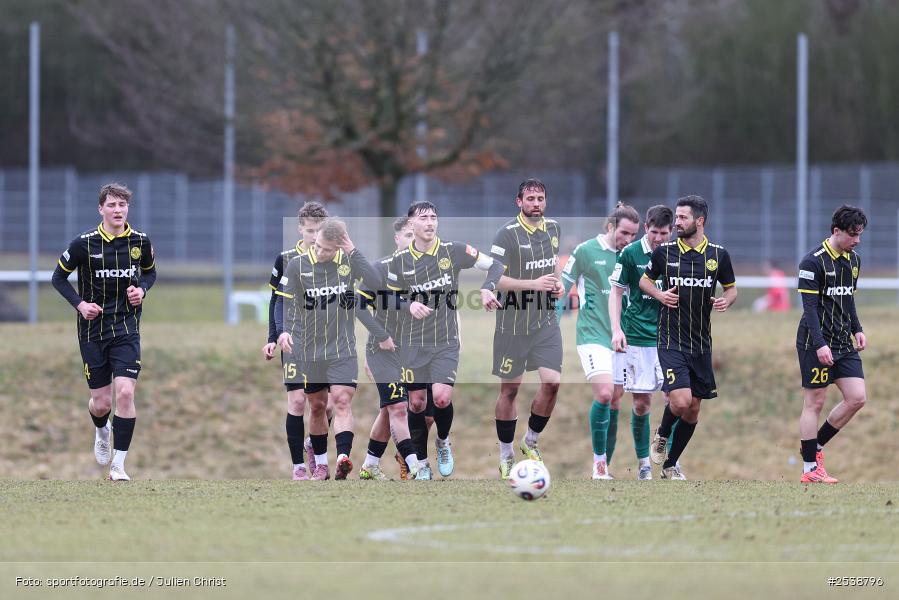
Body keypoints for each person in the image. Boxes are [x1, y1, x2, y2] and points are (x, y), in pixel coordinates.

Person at [387, 201, 504, 480]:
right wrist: (408, 306)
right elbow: (389, 296)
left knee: (440, 399)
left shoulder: (454, 251)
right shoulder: (400, 262)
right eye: (423, 218)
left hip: (445, 340)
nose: (430, 222)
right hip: (412, 343)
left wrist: (487, 289)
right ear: (411, 224)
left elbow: (496, 265)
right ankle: (422, 463)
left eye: (434, 217)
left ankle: (442, 441)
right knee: (416, 404)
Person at [51, 182, 156, 481]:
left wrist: (143, 290)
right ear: (101, 209)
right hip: (92, 331)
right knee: (102, 403)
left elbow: (150, 272)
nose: (118, 210)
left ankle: (119, 466)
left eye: (122, 205)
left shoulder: (140, 241)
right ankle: (101, 430)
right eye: (111, 205)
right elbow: (58, 278)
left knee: (125, 393)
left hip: (126, 327)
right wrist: (80, 304)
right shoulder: (82, 244)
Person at [274, 219, 386, 480]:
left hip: (342, 349)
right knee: (316, 407)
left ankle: (343, 457)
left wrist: (352, 251)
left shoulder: (348, 262)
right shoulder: (297, 265)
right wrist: (283, 331)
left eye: (329, 249)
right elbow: (283, 303)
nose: (323, 252)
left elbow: (376, 282)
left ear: (339, 246)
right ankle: (321, 464)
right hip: (309, 350)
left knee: (342, 401)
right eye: (320, 247)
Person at [640, 195, 737, 480]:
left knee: (694, 409)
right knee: (680, 402)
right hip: (670, 339)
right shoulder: (664, 253)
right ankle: (662, 433)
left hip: (701, 344)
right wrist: (659, 294)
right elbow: (644, 281)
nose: (677, 223)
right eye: (677, 218)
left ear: (700, 221)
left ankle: (670, 464)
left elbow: (731, 289)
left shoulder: (719, 255)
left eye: (682, 218)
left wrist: (726, 301)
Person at [490, 179, 567, 479]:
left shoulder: (554, 229)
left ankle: (530, 441)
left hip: (545, 321)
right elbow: (495, 279)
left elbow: (553, 266)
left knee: (553, 383)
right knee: (510, 390)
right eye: (530, 198)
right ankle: (506, 455)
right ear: (518, 202)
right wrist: (532, 285)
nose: (536, 203)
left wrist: (557, 283)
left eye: (540, 198)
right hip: (512, 324)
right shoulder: (506, 234)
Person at [558, 203, 640, 480]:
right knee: (604, 394)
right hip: (592, 335)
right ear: (610, 227)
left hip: (623, 337)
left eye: (633, 235)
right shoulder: (585, 251)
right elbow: (562, 288)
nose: (628, 240)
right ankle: (599, 464)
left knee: (615, 401)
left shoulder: (631, 256)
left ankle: (605, 468)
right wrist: (551, 328)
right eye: (624, 233)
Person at [796, 205, 868, 484]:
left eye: (860, 234)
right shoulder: (812, 262)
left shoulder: (854, 261)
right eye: (852, 234)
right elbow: (810, 309)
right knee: (815, 401)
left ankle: (815, 447)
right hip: (816, 343)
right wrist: (819, 344)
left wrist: (857, 329)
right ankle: (809, 469)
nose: (857, 240)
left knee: (857, 397)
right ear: (836, 230)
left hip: (843, 342)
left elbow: (847, 298)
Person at [261, 201, 332, 480]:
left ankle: (312, 443)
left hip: (324, 341)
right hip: (293, 339)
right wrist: (273, 336)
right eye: (310, 230)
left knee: (323, 405)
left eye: (319, 230)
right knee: (297, 402)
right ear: (300, 229)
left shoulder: (332, 258)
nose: (315, 236)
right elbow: (275, 300)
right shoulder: (286, 259)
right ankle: (298, 467)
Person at [609, 205, 674, 480]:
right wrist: (616, 329)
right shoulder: (630, 253)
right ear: (646, 228)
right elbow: (616, 292)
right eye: (654, 232)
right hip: (637, 337)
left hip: (669, 337)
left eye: (664, 233)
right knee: (641, 404)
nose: (659, 238)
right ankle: (644, 463)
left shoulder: (677, 253)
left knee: (677, 400)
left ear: (671, 231)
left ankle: (671, 459)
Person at [357, 216, 420, 480]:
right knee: (397, 408)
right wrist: (381, 336)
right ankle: (416, 465)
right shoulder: (379, 269)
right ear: (396, 238)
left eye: (415, 236)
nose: (412, 241)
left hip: (416, 351)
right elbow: (358, 307)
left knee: (390, 408)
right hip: (383, 351)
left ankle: (370, 464)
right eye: (407, 235)